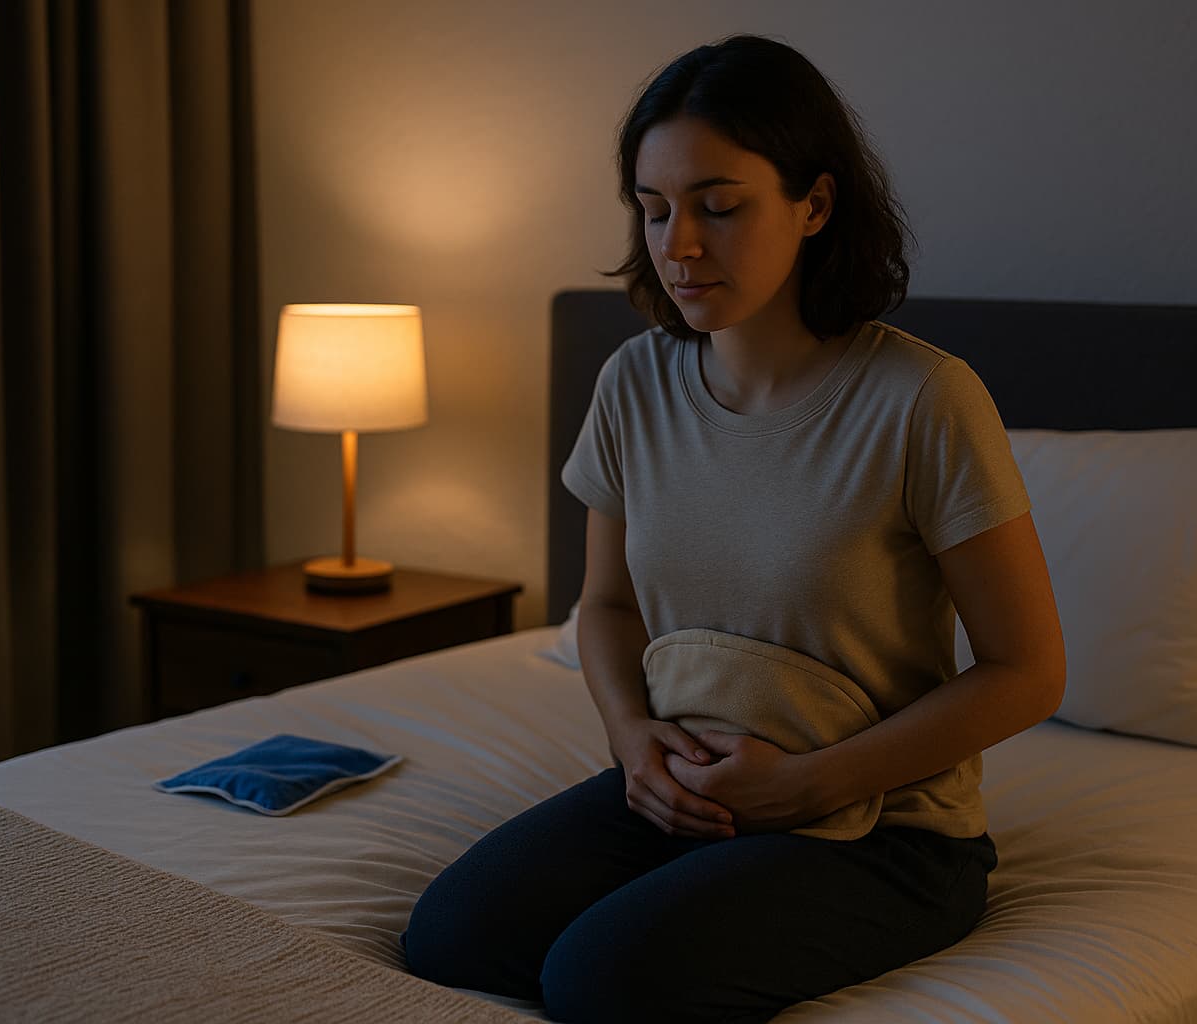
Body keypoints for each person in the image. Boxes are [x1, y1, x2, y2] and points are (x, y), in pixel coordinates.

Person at [400, 34, 1065, 1024]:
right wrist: (634, 747)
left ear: (815, 204)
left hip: (881, 830)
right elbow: (609, 606)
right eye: (655, 209)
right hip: (682, 788)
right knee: (454, 935)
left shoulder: (922, 399)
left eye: (718, 205)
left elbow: (1027, 669)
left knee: (602, 978)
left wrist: (807, 786)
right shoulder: (634, 382)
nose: (679, 244)